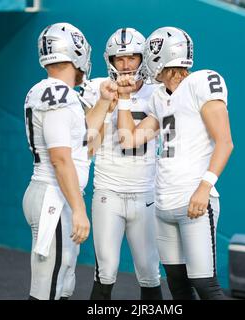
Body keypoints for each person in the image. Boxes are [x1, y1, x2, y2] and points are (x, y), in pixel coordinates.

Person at [117, 27, 234, 300]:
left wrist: (205, 187)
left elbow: (225, 142)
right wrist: (123, 100)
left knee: (205, 284)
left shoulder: (202, 82)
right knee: (178, 286)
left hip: (193, 199)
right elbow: (129, 139)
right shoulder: (160, 96)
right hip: (164, 204)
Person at [22, 22, 109, 300]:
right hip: (54, 197)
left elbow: (83, 140)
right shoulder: (57, 94)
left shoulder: (57, 92)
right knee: (47, 288)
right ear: (76, 51)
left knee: (62, 283)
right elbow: (60, 159)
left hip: (55, 194)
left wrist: (105, 101)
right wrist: (79, 208)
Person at [79, 28, 163, 300]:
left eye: (132, 58)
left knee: (149, 271)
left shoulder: (157, 93)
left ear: (143, 58)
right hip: (108, 191)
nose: (126, 65)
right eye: (119, 59)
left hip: (146, 193)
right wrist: (105, 106)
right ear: (110, 61)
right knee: (106, 270)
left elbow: (134, 140)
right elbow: (88, 145)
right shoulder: (97, 88)